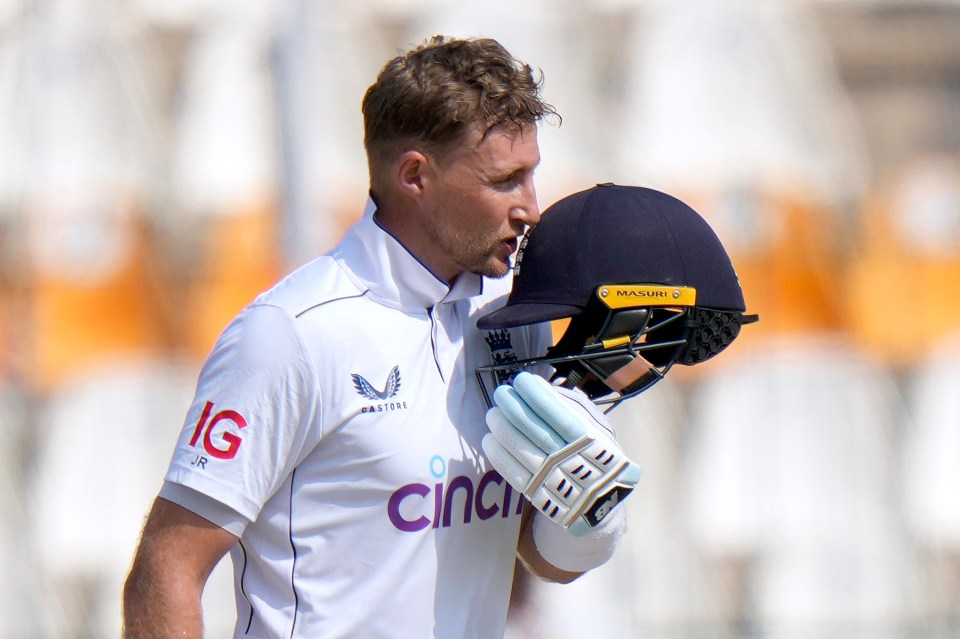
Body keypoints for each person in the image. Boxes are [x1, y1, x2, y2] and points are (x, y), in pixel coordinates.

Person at [123, 35, 614, 639]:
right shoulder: (291, 335)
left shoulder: (515, 318)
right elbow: (168, 565)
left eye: (531, 176)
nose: (531, 209)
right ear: (415, 176)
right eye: (505, 180)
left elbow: (535, 557)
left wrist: (593, 516)